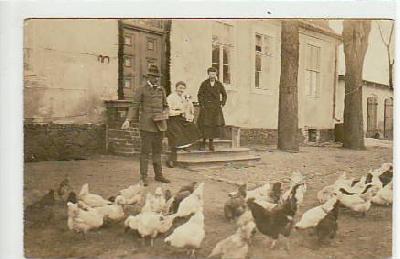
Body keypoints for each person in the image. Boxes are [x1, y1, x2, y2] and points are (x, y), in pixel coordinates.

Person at [121, 64, 170, 186]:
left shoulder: (161, 90)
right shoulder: (141, 89)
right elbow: (134, 106)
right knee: (145, 152)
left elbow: (166, 106)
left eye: (158, 77)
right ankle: (143, 177)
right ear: (148, 77)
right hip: (146, 126)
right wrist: (128, 120)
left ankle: (158, 175)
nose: (157, 79)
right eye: (154, 77)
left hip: (159, 126)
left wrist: (165, 113)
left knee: (157, 151)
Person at [166, 81, 200, 168]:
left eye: (183, 88)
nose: (181, 90)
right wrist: (179, 111)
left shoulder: (183, 98)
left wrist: (188, 114)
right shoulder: (171, 97)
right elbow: (168, 112)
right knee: (176, 135)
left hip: (180, 119)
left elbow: (187, 109)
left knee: (192, 128)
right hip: (172, 119)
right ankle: (171, 159)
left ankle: (185, 145)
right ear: (176, 88)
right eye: (180, 88)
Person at [197, 67, 227, 151]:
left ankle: (211, 144)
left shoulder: (219, 84)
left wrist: (222, 103)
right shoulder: (204, 83)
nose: (212, 75)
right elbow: (200, 95)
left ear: (216, 74)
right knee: (205, 125)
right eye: (210, 73)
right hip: (206, 108)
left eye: (213, 74)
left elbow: (224, 94)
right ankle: (203, 143)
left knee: (213, 126)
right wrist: (202, 105)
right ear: (208, 74)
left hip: (215, 109)